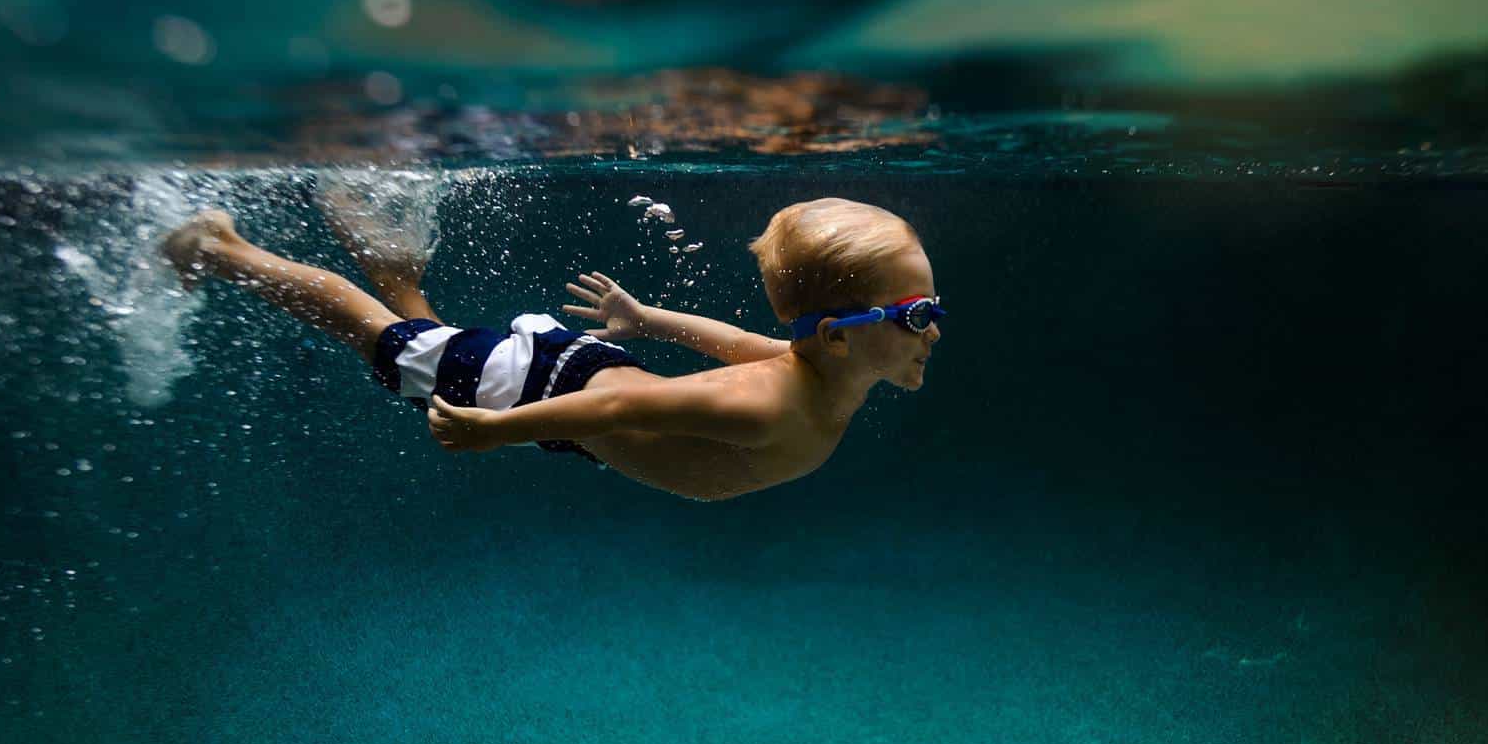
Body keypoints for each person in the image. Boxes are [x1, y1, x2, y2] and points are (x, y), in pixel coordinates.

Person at [160, 194, 943, 504]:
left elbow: (736, 340)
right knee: (383, 341)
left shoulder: (808, 371)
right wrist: (491, 431)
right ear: (838, 338)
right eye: (915, 314)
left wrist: (645, 316)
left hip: (572, 392)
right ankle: (222, 246)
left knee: (430, 344)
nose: (934, 328)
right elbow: (626, 404)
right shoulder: (772, 401)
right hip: (540, 392)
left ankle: (392, 262)